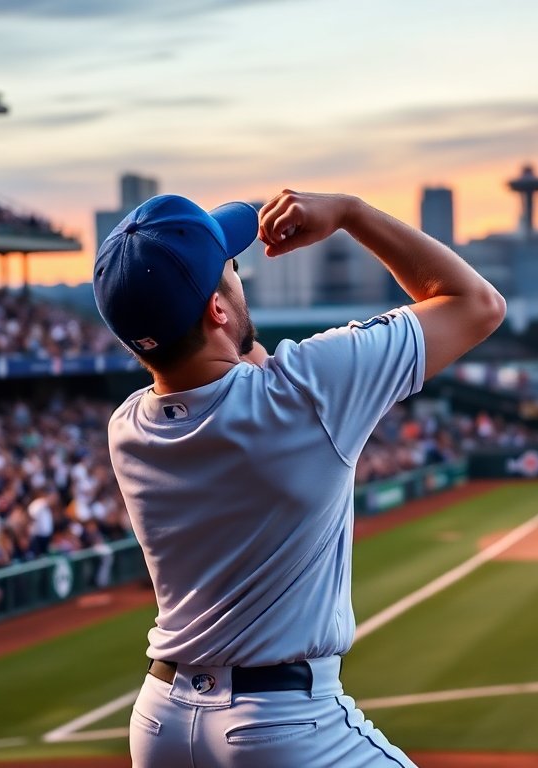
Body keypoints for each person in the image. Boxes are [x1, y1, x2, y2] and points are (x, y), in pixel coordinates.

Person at [95, 191, 504, 767]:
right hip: (280, 727)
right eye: (233, 271)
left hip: (162, 723)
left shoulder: (128, 427)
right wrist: (351, 213)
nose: (242, 277)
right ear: (215, 309)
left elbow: (234, 372)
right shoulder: (308, 390)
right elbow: (476, 303)